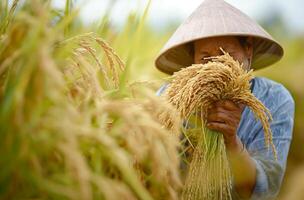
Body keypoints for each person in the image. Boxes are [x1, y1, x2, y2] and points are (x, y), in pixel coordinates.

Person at [154, 0, 295, 199]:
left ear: (248, 50)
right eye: (205, 58)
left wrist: (231, 140)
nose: (217, 66)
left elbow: (264, 189)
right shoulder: (169, 97)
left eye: (226, 54)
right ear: (192, 60)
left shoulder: (274, 99)